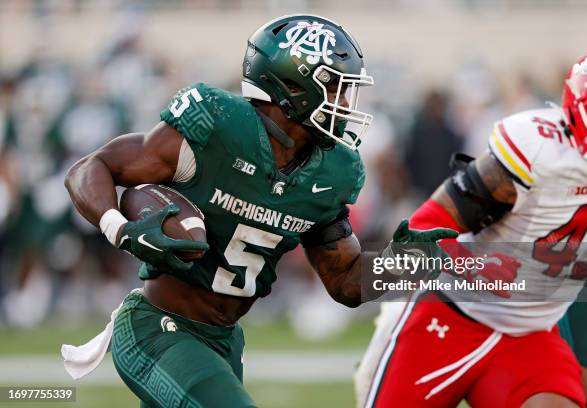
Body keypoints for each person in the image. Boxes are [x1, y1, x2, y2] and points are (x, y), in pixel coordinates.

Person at [61, 15, 456, 408]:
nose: (344, 103)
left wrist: (398, 263)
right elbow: (90, 168)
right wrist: (119, 228)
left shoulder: (331, 171)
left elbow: (345, 281)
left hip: (225, 341)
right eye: (334, 87)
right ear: (292, 86)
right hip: (158, 327)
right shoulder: (217, 126)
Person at [356, 51, 587, 408]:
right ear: (582, 116)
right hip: (450, 313)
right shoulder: (540, 152)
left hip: (530, 335)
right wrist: (468, 265)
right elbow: (423, 229)